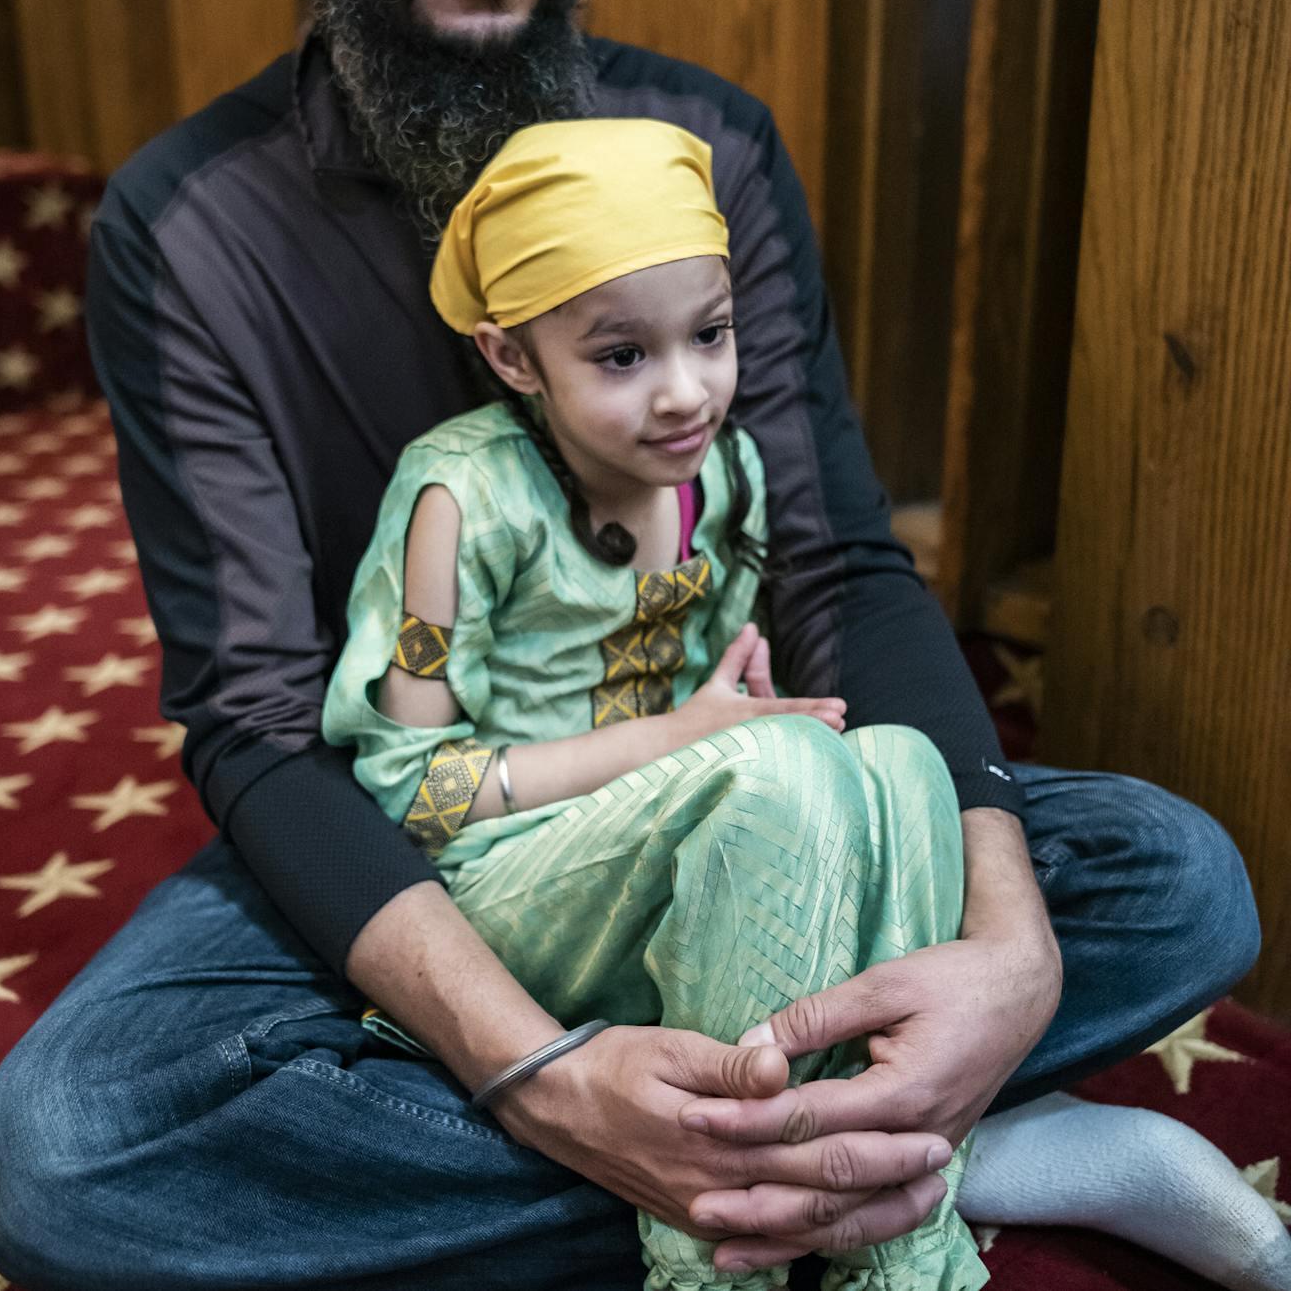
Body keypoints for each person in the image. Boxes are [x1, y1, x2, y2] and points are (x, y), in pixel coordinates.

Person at [0, 0, 1261, 1288]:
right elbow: (262, 729)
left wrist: (1012, 950)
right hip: (433, 840)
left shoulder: (703, 144)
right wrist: (533, 1064)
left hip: (744, 787)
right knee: (61, 1156)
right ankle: (933, 1155)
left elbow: (840, 568)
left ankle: (704, 1146)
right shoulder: (186, 229)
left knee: (1172, 878)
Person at [325, 111, 989, 1291]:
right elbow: (413, 788)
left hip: (686, 847)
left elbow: (716, 712)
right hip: (504, 875)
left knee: (898, 762)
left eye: (711, 334)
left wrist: (736, 714)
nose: (687, 393)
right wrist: (692, 741)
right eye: (621, 356)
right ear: (512, 357)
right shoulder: (456, 501)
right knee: (783, 771)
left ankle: (886, 1239)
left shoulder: (721, 470)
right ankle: (707, 1255)